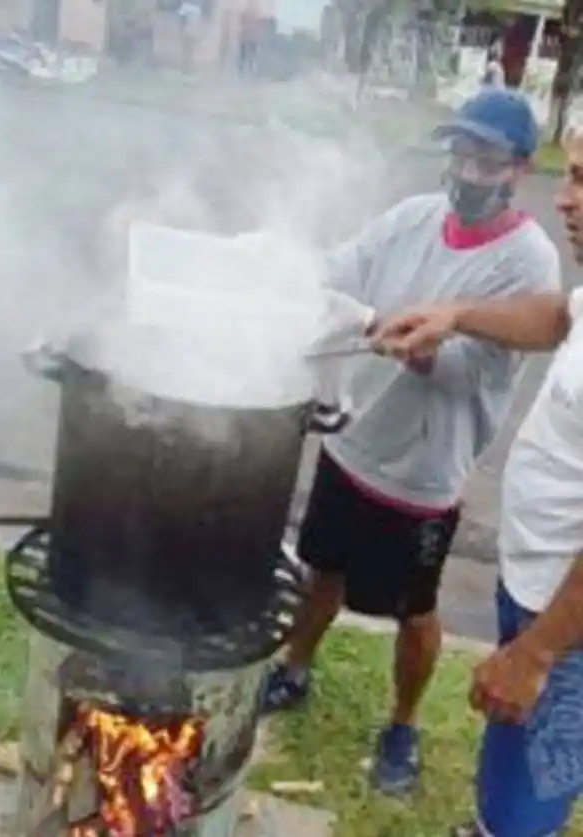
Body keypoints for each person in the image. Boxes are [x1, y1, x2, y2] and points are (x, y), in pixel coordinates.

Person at [262, 86, 561, 796]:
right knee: (319, 572)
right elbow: (339, 269)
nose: (466, 172)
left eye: (485, 160)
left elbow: (483, 375)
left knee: (416, 611)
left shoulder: (531, 263)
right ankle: (294, 668)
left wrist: (428, 347)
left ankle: (403, 722)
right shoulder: (412, 219)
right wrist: (280, 266)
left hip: (425, 475)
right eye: (459, 153)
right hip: (353, 443)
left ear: (518, 169)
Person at [367, 121, 583, 836]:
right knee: (510, 746)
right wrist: (455, 315)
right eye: (572, 175)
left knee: (534, 780)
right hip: (536, 581)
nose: (566, 200)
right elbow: (556, 315)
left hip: (569, 624)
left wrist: (538, 649)